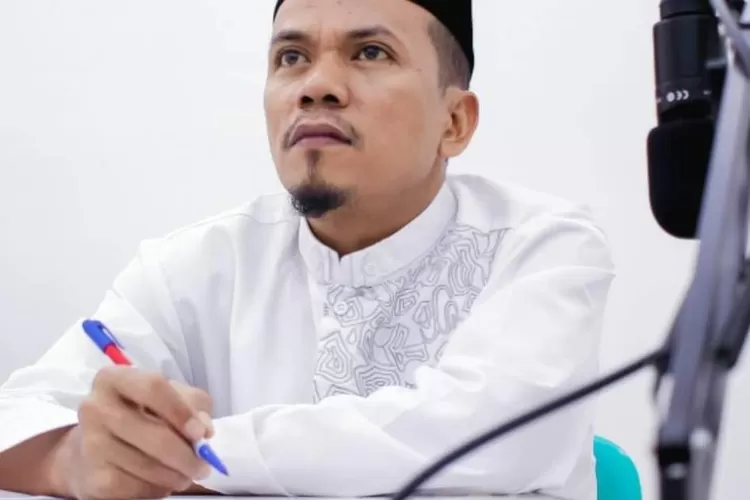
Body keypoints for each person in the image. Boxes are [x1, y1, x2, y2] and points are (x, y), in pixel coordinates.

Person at [0, 0, 616, 499]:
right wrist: (77, 460)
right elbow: (20, 414)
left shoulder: (542, 247)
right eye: (291, 57)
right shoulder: (196, 266)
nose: (317, 86)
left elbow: (492, 436)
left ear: (454, 122)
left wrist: (186, 457)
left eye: (370, 52)